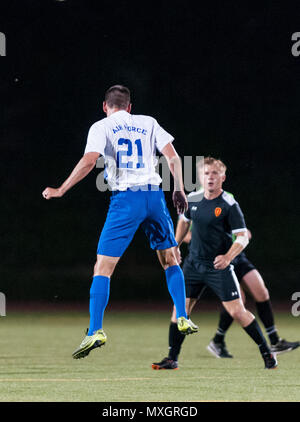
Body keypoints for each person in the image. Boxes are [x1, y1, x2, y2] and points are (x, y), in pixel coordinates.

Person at [42, 84, 198, 359]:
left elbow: (89, 161)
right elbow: (172, 157)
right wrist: (180, 189)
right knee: (171, 258)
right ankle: (183, 316)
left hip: (126, 200)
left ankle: (95, 330)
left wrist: (62, 189)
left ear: (105, 107)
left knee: (103, 267)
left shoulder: (101, 127)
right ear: (129, 107)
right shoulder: (148, 122)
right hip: (154, 196)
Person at [152, 156, 278, 370]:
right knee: (179, 310)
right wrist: (175, 246)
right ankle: (172, 358)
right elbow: (184, 222)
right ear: (200, 177)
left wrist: (228, 257)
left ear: (223, 177)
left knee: (237, 311)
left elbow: (242, 237)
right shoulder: (192, 198)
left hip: (218, 267)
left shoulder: (229, 204)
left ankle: (267, 353)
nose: (210, 177)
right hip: (193, 264)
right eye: (206, 173)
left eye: (214, 174)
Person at [207, 229, 300, 358]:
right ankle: (218, 341)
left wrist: (242, 233)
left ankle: (275, 341)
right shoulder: (197, 210)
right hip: (219, 259)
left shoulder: (231, 208)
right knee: (238, 299)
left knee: (261, 292)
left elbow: (244, 231)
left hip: (237, 257)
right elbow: (187, 234)